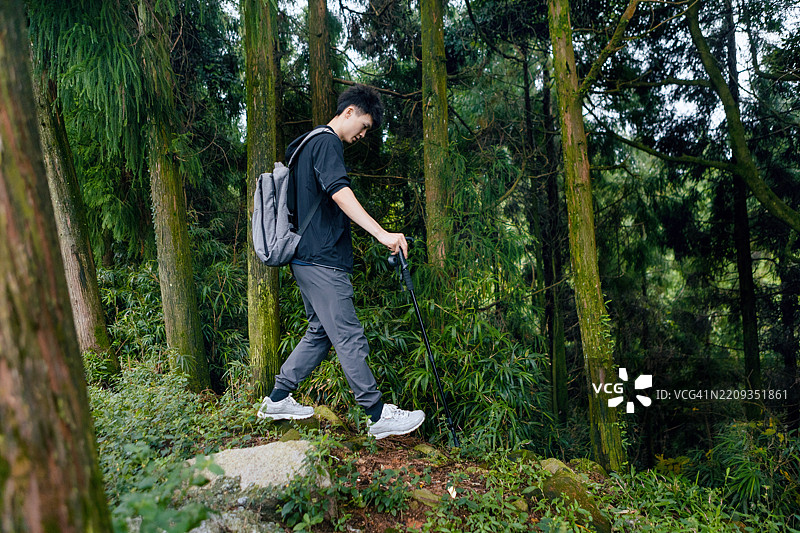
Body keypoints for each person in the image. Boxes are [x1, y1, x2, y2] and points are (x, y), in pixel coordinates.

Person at [257, 84, 425, 439]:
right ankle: (378, 415)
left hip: (306, 257)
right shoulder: (327, 141)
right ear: (348, 112)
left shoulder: (305, 146)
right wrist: (382, 233)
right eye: (363, 125)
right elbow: (339, 191)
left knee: (320, 331)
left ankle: (277, 398)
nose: (362, 135)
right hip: (322, 259)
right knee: (348, 334)